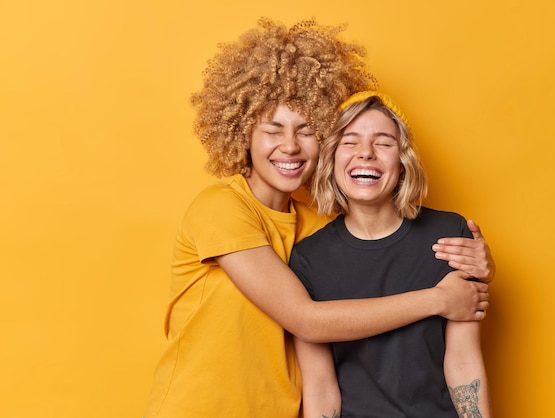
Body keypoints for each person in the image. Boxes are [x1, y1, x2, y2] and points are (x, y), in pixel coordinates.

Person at [144, 19, 493, 418]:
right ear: (242, 133)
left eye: (306, 130)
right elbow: (307, 321)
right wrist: (439, 300)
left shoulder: (316, 229)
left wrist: (483, 267)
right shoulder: (220, 209)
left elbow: (374, 254)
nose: (289, 146)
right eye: (272, 130)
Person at [290, 91, 493, 417]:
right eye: (350, 142)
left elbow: (463, 361)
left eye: (383, 143)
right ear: (331, 159)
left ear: (403, 160)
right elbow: (320, 387)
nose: (366, 153)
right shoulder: (308, 259)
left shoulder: (450, 236)